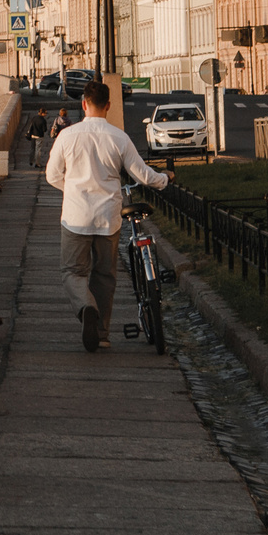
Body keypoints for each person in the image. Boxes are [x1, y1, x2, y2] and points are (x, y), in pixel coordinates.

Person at [42, 80, 167, 353]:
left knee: (72, 272)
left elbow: (52, 175)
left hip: (75, 216)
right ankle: (101, 334)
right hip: (108, 217)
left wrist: (73, 188)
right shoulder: (118, 137)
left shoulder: (67, 136)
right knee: (104, 276)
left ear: (83, 104)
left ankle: (86, 307)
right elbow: (143, 175)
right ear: (108, 105)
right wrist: (165, 179)